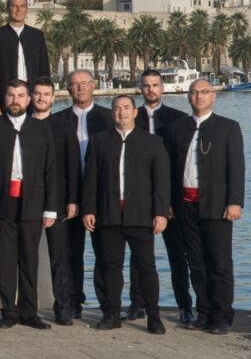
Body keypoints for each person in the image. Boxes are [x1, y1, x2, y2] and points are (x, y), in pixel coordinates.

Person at [81, 95, 169, 334]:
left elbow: (161, 182)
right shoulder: (99, 141)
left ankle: (154, 317)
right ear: (112, 113)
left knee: (146, 267)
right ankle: (111, 315)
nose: (122, 112)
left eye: (127, 108)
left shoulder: (152, 142)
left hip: (140, 216)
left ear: (135, 112)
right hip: (108, 215)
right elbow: (90, 179)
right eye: (117, 108)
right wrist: (88, 209)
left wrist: (160, 213)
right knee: (110, 267)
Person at [0, 79, 56, 330]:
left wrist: (50, 208)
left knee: (29, 259)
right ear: (5, 98)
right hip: (1, 203)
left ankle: (29, 312)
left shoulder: (41, 129)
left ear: (28, 100)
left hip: (32, 203)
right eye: (11, 95)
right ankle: (9, 311)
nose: (15, 100)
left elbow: (50, 170)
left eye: (21, 96)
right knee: (5, 259)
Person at [167, 78, 245, 335]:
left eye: (204, 92)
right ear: (188, 96)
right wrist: (168, 203)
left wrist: (235, 202)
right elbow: (170, 170)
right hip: (185, 205)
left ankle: (222, 315)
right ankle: (204, 312)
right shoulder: (177, 128)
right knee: (196, 262)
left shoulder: (228, 127)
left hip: (217, 206)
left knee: (219, 262)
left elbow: (237, 168)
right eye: (194, 92)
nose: (198, 96)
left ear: (213, 96)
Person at [127, 69, 193, 324]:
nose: (150, 89)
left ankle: (185, 306)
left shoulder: (178, 119)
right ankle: (137, 304)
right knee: (138, 255)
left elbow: (181, 163)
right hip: (138, 197)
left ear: (162, 88)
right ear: (140, 88)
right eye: (146, 85)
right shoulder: (131, 117)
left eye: (155, 85)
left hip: (171, 198)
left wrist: (169, 201)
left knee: (177, 254)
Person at [55, 70, 114, 318]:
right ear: (68, 88)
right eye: (74, 84)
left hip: (101, 194)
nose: (80, 88)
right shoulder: (57, 120)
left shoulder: (108, 118)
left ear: (94, 85)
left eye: (84, 83)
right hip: (68, 194)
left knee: (105, 251)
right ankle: (73, 302)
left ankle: (108, 305)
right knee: (71, 252)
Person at [29, 77, 80, 326]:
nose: (41, 98)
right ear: (31, 96)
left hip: (58, 201)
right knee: (27, 257)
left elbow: (73, 165)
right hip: (27, 201)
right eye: (37, 93)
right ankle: (26, 307)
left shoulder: (64, 126)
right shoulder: (22, 124)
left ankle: (63, 308)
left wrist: (73, 200)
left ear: (53, 97)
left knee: (60, 257)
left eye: (46, 94)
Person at [0, 0, 50, 117]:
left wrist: (46, 97)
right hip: (5, 96)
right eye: (14, 6)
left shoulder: (37, 36)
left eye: (22, 6)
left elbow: (44, 70)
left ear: (26, 9)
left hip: (33, 96)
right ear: (7, 9)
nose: (19, 10)